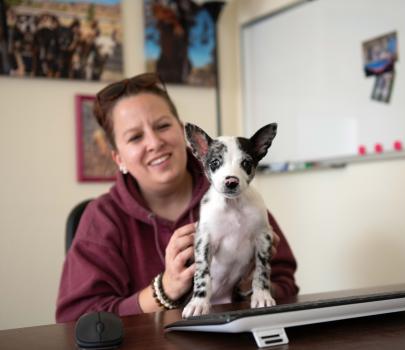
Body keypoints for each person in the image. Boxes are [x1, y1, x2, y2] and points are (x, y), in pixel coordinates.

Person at [55, 73, 298, 322]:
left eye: (162, 126)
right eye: (135, 137)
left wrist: (249, 285)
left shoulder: (238, 195)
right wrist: (164, 290)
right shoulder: (102, 218)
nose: (155, 142)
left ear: (183, 133)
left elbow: (285, 283)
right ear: (118, 158)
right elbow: (76, 319)